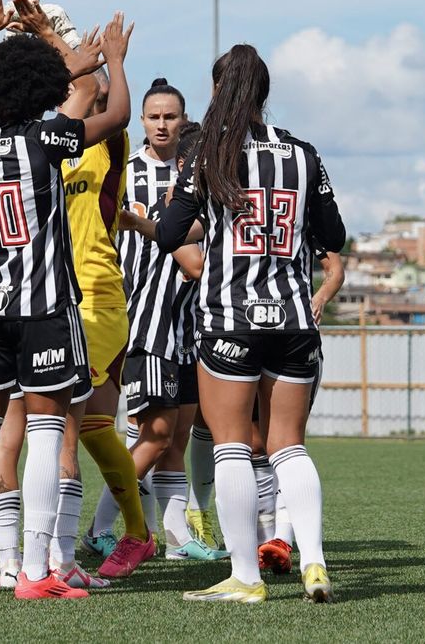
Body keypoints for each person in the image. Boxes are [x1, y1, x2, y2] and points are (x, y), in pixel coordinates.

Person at [128, 43, 345, 604]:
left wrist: (186, 207)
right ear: (266, 93)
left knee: (228, 447)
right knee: (289, 446)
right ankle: (315, 564)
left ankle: (245, 577)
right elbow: (334, 236)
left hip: (230, 315)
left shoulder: (208, 155)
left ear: (218, 92)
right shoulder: (304, 154)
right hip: (294, 317)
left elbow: (172, 232)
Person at [0, 0, 132, 600]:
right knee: (48, 433)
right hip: (43, 307)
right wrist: (113, 62)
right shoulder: (45, 139)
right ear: (36, 91)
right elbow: (116, 114)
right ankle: (35, 573)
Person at [97, 86, 224, 562]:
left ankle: (175, 536)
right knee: (147, 431)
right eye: (154, 116)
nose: (163, 124)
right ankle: (104, 527)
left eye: (171, 116)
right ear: (143, 121)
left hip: (192, 323)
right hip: (144, 317)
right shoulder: (125, 173)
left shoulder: (200, 172)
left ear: (183, 118)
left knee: (176, 436)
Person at [258, 245, 343, 575]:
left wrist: (320, 297)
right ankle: (266, 539)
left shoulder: (303, 204)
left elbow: (334, 269)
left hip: (291, 336)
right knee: (253, 445)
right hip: (246, 335)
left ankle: (281, 538)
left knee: (285, 444)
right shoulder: (229, 204)